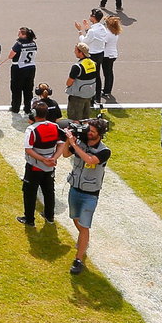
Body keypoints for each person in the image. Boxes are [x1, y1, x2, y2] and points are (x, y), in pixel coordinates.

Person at [60, 116, 112, 275]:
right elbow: (65, 154)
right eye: (89, 130)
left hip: (90, 194)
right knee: (75, 219)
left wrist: (75, 144)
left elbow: (90, 159)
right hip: (75, 188)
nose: (89, 133)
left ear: (100, 134)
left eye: (93, 131)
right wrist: (69, 140)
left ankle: (78, 259)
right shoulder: (80, 142)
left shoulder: (104, 151)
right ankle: (84, 240)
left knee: (84, 226)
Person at [17, 104, 62, 226]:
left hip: (34, 167)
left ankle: (29, 219)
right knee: (49, 192)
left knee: (29, 193)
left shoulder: (31, 129)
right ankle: (49, 216)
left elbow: (28, 149)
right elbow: (61, 144)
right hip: (50, 166)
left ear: (34, 114)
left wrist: (43, 159)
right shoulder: (55, 126)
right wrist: (53, 158)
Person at [8, 27, 38, 116]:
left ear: (24, 35)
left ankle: (15, 108)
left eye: (20, 33)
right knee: (28, 89)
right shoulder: (33, 43)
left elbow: (10, 56)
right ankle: (28, 108)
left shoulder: (19, 44)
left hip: (19, 68)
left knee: (16, 89)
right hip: (31, 67)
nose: (18, 34)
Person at [66, 43, 99, 120]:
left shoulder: (77, 67)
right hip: (89, 95)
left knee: (74, 119)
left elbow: (69, 82)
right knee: (85, 119)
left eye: (75, 50)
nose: (74, 52)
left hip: (77, 96)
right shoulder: (94, 64)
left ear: (81, 52)